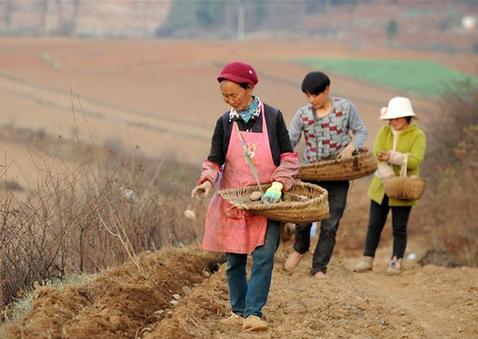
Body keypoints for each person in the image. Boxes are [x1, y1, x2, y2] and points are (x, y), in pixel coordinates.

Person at [191, 61, 299, 332]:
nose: (229, 101)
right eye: (225, 97)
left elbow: (288, 158)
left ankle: (254, 313)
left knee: (264, 256)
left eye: (233, 96)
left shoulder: (273, 117)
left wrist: (279, 184)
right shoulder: (224, 123)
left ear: (249, 88)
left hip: (267, 201)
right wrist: (206, 181)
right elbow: (215, 160)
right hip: (234, 200)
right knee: (235, 260)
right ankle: (238, 311)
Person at [284, 71, 368, 278]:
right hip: (312, 173)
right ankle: (300, 248)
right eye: (308, 96)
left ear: (327, 90)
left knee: (330, 224)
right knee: (303, 219)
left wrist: (351, 147)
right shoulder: (303, 114)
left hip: (338, 175)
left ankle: (319, 267)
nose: (311, 100)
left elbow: (361, 132)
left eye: (315, 95)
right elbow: (289, 141)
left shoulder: (345, 108)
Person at [352, 96, 426, 275]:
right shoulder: (383, 132)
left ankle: (396, 261)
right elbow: (377, 153)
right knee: (374, 224)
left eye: (397, 118)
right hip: (380, 185)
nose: (394, 122)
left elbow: (415, 160)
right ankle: (367, 259)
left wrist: (394, 157)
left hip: (404, 188)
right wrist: (389, 173)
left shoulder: (418, 135)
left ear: (407, 117)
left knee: (399, 227)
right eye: (391, 118)